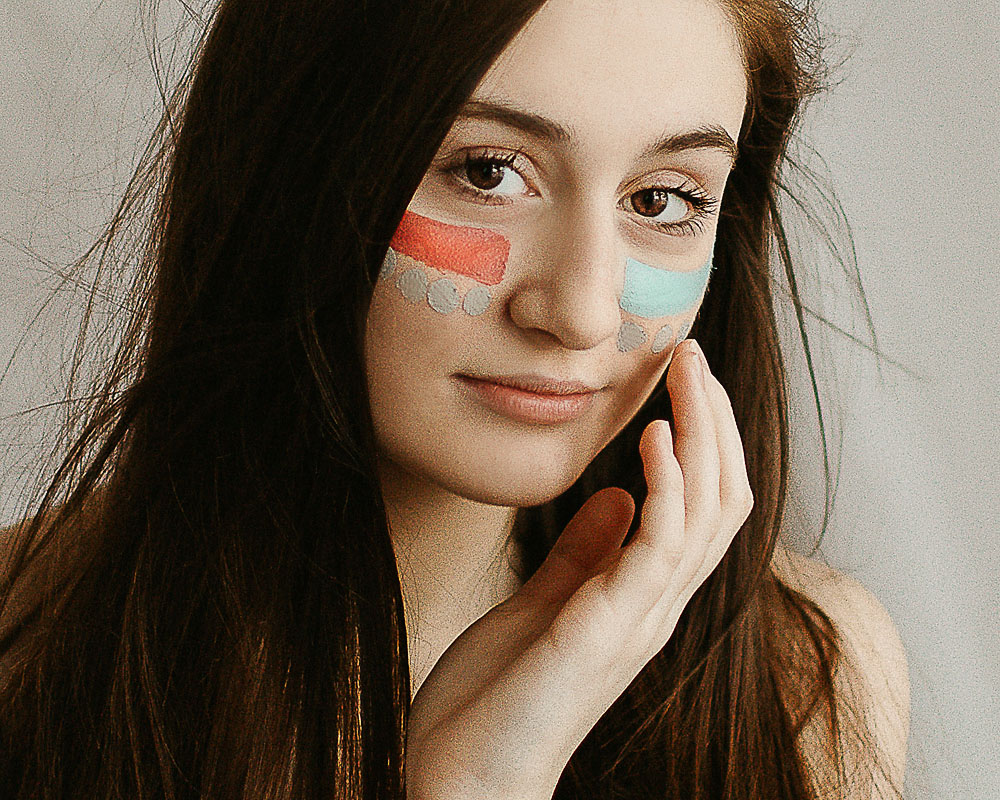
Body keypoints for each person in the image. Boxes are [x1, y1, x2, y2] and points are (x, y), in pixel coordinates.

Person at [0, 0, 910, 797]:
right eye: (487, 173)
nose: (583, 311)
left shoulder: (809, 678)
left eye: (666, 199)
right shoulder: (21, 646)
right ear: (291, 167)